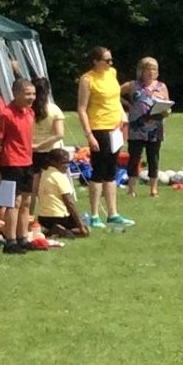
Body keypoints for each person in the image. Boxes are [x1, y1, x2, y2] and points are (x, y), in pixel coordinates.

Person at [76, 45, 134, 229]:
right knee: (98, 172)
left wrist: (123, 120)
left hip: (115, 128)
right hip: (99, 128)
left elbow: (115, 100)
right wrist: (89, 135)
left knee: (112, 171)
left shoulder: (112, 73)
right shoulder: (87, 79)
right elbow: (82, 109)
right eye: (106, 60)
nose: (110, 63)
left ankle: (113, 213)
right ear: (95, 61)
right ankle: (94, 215)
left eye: (111, 60)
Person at [0, 76, 39, 254]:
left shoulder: (30, 113)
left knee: (26, 201)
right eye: (27, 94)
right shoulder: (6, 115)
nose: (31, 97)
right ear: (16, 94)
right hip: (11, 162)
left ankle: (23, 237)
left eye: (33, 94)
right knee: (14, 202)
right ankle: (10, 240)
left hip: (27, 161)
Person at [121, 56, 171, 200]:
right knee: (134, 157)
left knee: (153, 158)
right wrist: (127, 104)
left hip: (155, 128)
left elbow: (168, 104)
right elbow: (114, 93)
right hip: (137, 128)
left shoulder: (161, 86)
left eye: (154, 69)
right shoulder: (133, 85)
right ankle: (131, 189)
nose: (151, 72)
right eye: (148, 69)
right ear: (141, 71)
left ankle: (153, 189)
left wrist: (167, 111)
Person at [33, 147, 88, 237]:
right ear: (53, 162)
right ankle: (61, 230)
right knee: (85, 230)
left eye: (68, 162)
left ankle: (52, 230)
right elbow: (69, 203)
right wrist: (80, 225)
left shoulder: (44, 174)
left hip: (43, 218)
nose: (67, 165)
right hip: (59, 217)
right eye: (63, 163)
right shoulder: (60, 177)